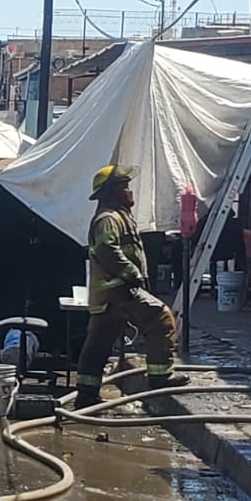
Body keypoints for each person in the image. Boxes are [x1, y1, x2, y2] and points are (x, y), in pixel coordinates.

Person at [76, 164, 184, 410]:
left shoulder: (118, 216)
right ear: (110, 192)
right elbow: (106, 249)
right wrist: (131, 273)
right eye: (124, 186)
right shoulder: (108, 219)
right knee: (161, 318)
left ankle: (86, 395)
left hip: (107, 295)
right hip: (119, 290)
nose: (129, 191)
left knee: (98, 344)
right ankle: (160, 376)